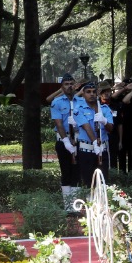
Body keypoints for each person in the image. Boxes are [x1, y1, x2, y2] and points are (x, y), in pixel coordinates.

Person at [50, 75, 86, 211]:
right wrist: (66, 141)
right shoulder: (57, 102)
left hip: (78, 140)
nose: (69, 86)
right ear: (62, 86)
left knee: (77, 172)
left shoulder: (81, 101)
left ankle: (75, 206)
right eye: (66, 84)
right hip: (63, 140)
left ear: (75, 85)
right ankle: (67, 206)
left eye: (71, 83)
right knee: (66, 172)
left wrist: (77, 126)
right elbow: (58, 123)